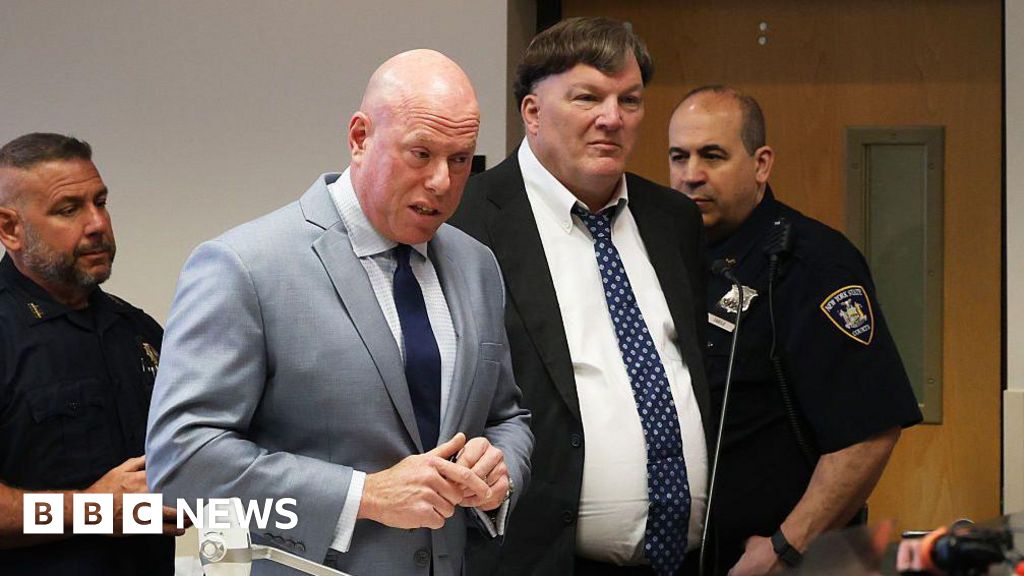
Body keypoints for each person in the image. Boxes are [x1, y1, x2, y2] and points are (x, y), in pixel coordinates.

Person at [145, 49, 533, 576]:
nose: (442, 181)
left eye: (460, 159)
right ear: (359, 137)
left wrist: (500, 471)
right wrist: (362, 496)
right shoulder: (244, 266)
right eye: (420, 154)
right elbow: (182, 463)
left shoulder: (476, 265)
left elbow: (507, 417)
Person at [451, 17, 712, 576]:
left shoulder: (674, 220)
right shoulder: (466, 222)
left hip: (686, 562)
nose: (612, 118)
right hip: (533, 561)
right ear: (532, 112)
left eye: (630, 100)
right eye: (587, 97)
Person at [667, 85, 922, 576]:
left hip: (771, 560)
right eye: (679, 156)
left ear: (761, 164)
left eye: (712, 156)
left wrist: (787, 547)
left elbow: (869, 431)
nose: (691, 175)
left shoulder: (812, 264)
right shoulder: (667, 256)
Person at [0, 133, 179, 574]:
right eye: (69, 209)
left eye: (100, 202)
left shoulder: (138, 330)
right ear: (10, 229)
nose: (97, 223)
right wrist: (89, 509)